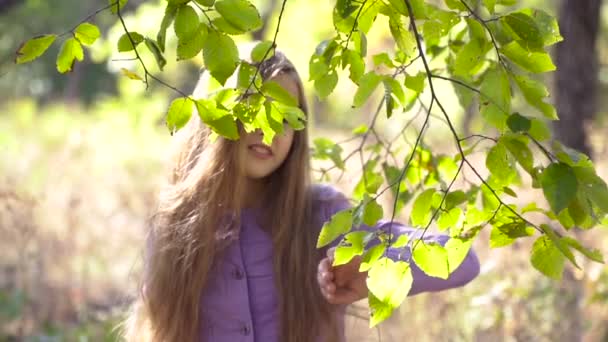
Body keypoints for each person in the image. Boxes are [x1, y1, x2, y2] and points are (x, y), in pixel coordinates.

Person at [123, 48, 480, 342]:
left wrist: (375, 271)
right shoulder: (178, 225)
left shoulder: (321, 217)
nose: (269, 131)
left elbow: (462, 261)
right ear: (216, 116)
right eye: (255, 108)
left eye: (286, 118)